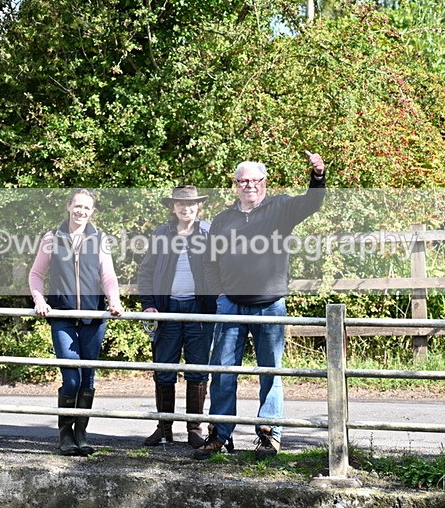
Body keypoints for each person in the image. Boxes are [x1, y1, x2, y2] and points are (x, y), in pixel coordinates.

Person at [195, 151, 326, 460]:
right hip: (230, 306)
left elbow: (312, 203)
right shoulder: (223, 220)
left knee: (270, 372)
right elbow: (210, 264)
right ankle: (219, 433)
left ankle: (269, 435)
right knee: (223, 372)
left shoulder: (281, 208)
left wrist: (318, 175)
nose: (249, 185)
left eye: (255, 180)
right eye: (243, 180)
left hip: (270, 305)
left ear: (265, 182)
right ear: (235, 184)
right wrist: (220, 296)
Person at [29, 188, 124, 457]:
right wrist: (39, 301)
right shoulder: (52, 238)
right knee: (71, 379)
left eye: (87, 208)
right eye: (78, 206)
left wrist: (114, 301)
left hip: (94, 318)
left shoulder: (99, 238)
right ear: (69, 207)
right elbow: (36, 274)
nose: (81, 211)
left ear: (92, 212)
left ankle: (81, 433)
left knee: (88, 380)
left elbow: (108, 276)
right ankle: (65, 433)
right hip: (63, 317)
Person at [137, 186, 216, 448]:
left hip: (199, 310)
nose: (186, 208)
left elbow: (220, 268)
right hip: (167, 309)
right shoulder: (162, 233)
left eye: (191, 204)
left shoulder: (208, 233)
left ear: (198, 207)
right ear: (173, 207)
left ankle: (194, 428)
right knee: (164, 369)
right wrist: (149, 305)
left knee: (197, 370)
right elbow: (146, 272)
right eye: (181, 204)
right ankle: (164, 427)